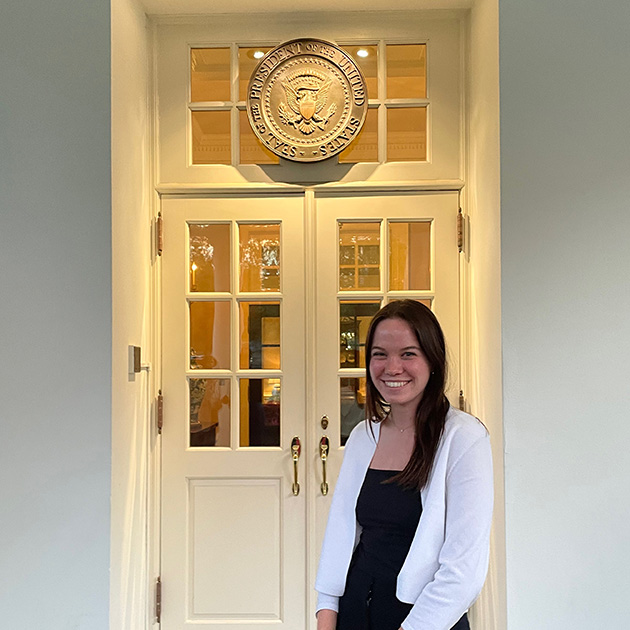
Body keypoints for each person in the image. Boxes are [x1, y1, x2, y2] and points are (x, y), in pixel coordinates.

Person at [315, 300, 493, 630]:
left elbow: (463, 572)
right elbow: (340, 534)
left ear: (432, 360)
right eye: (380, 354)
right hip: (355, 611)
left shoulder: (463, 438)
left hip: (427, 620)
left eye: (408, 353)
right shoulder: (363, 435)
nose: (392, 367)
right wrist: (326, 613)